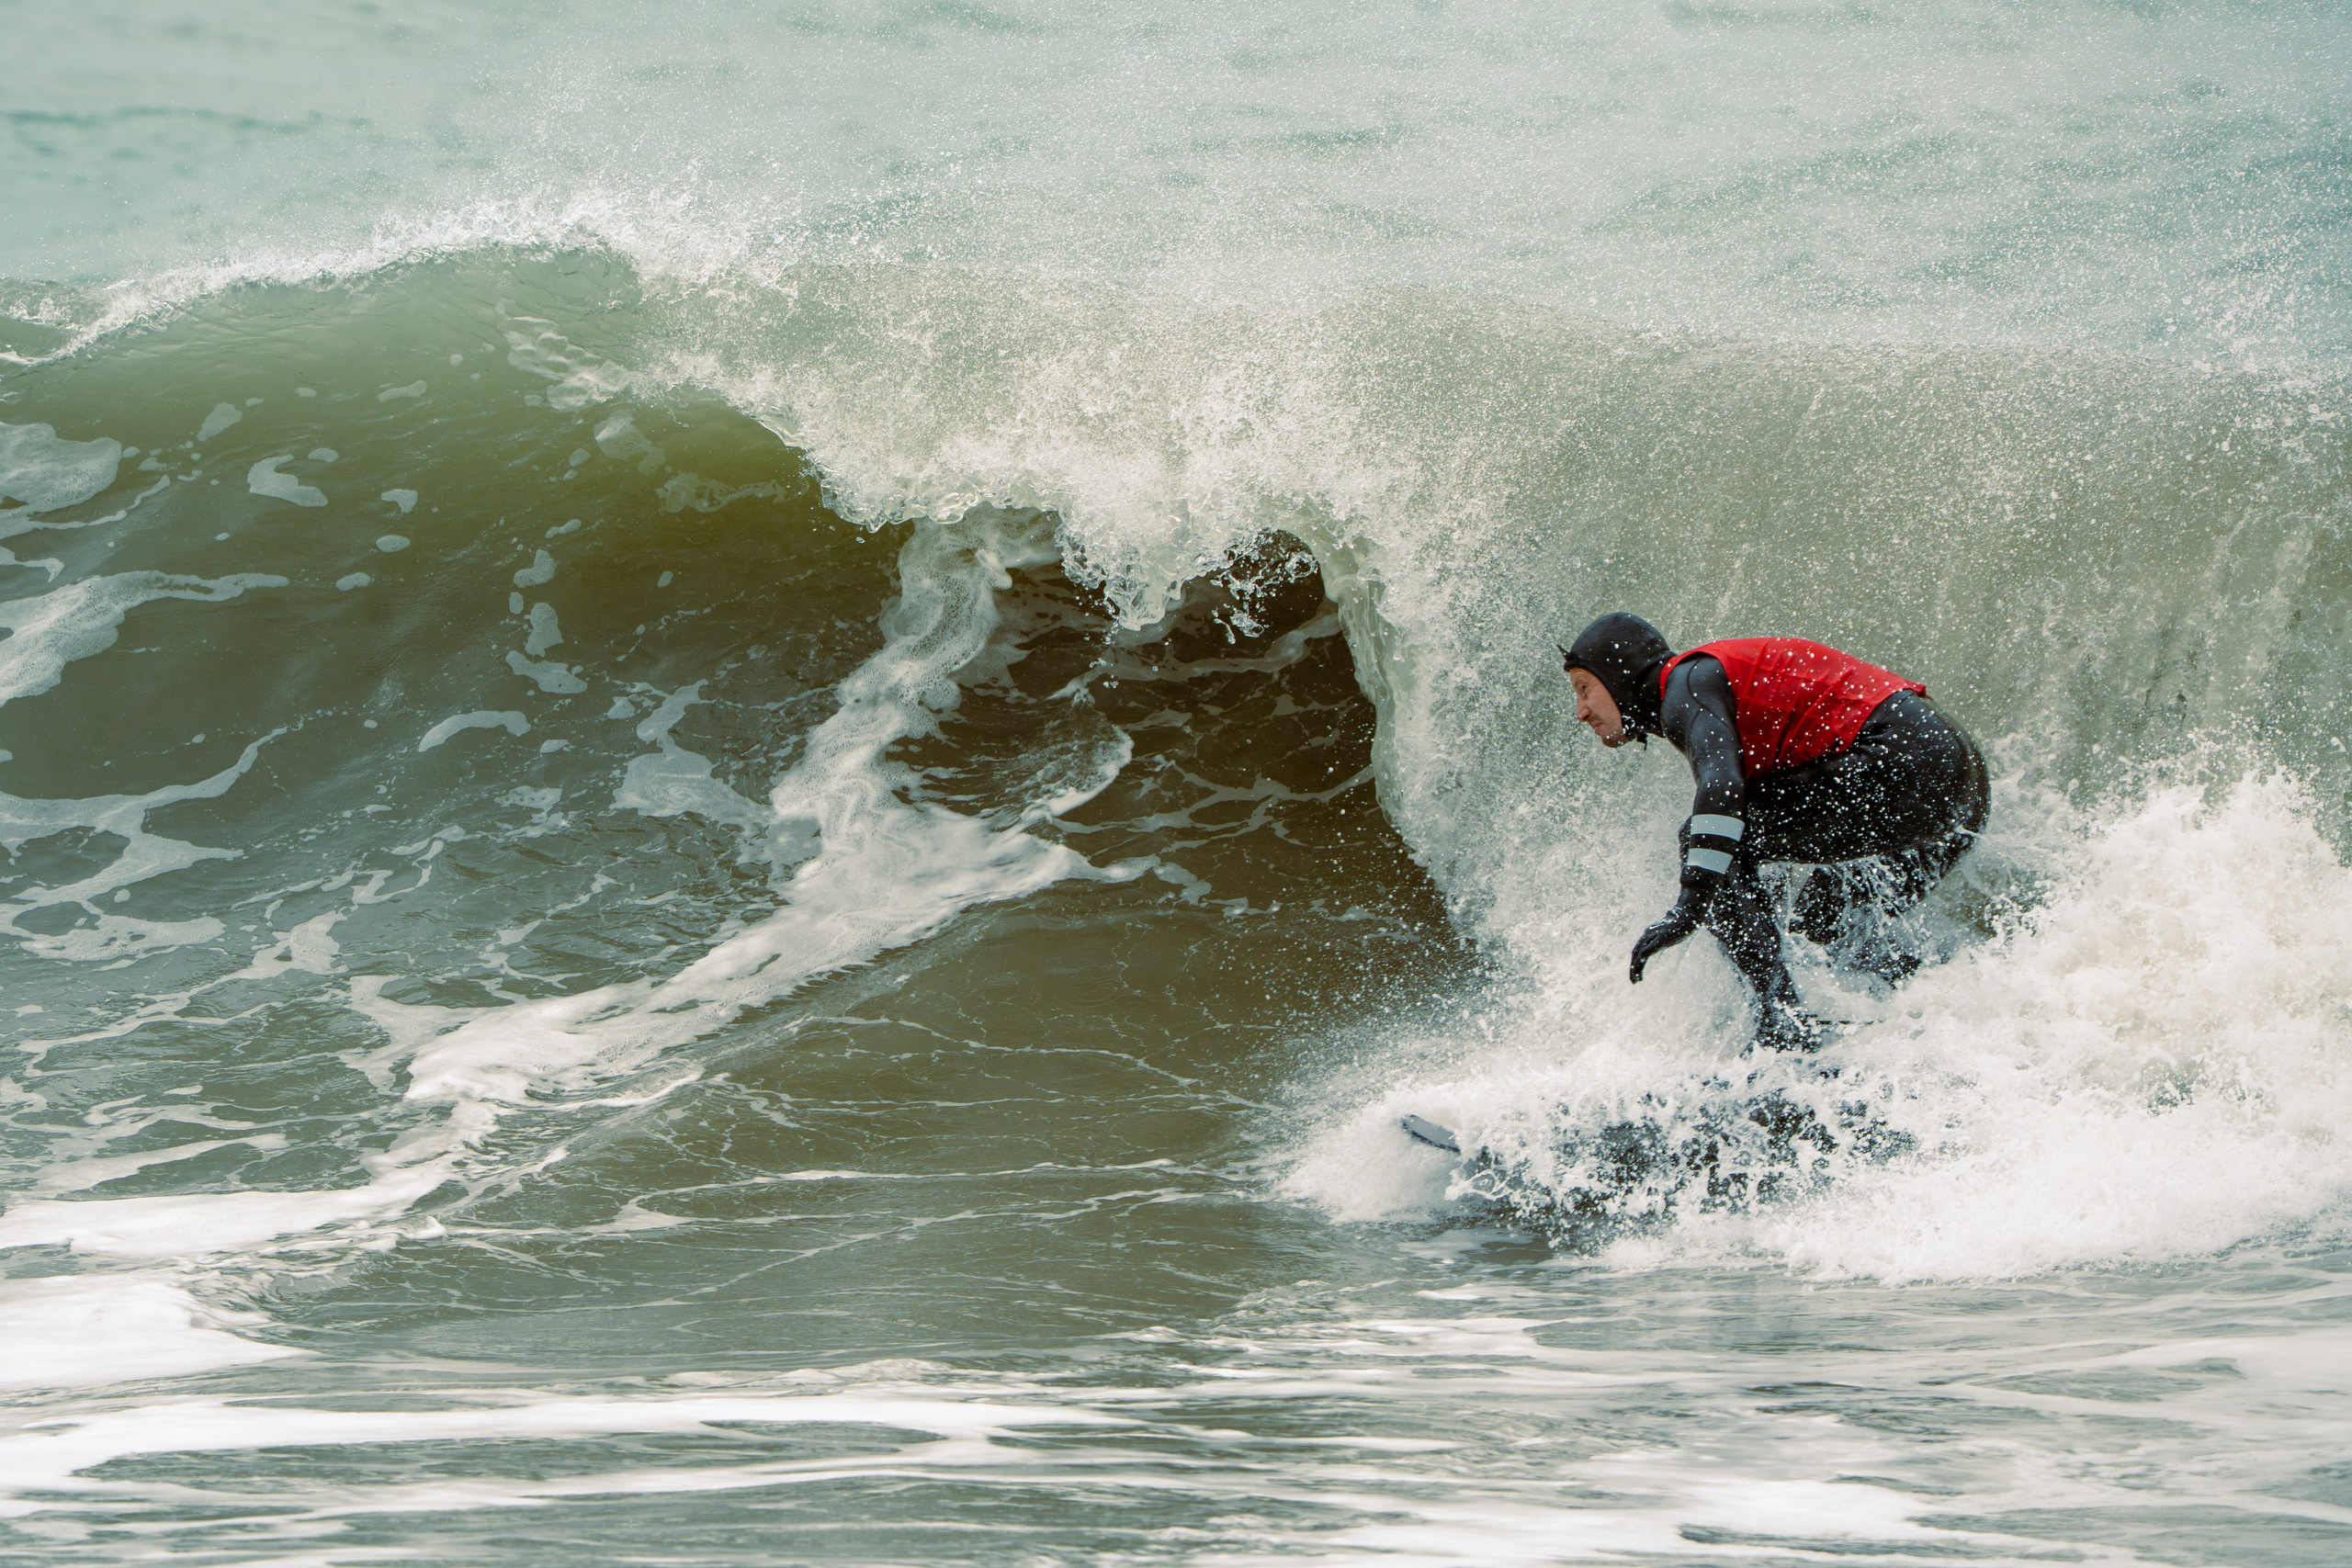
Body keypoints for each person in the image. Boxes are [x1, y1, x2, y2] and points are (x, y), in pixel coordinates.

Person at [1559, 613, 1989, 1051]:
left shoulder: (1687, 681)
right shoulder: (1706, 689)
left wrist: (1688, 908)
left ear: (1621, 676)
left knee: (1706, 840)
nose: (1581, 711)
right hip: (1960, 788)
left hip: (1907, 760)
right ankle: (1935, 1016)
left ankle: (1781, 1025)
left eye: (1584, 688)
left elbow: (1723, 789)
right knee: (1819, 932)